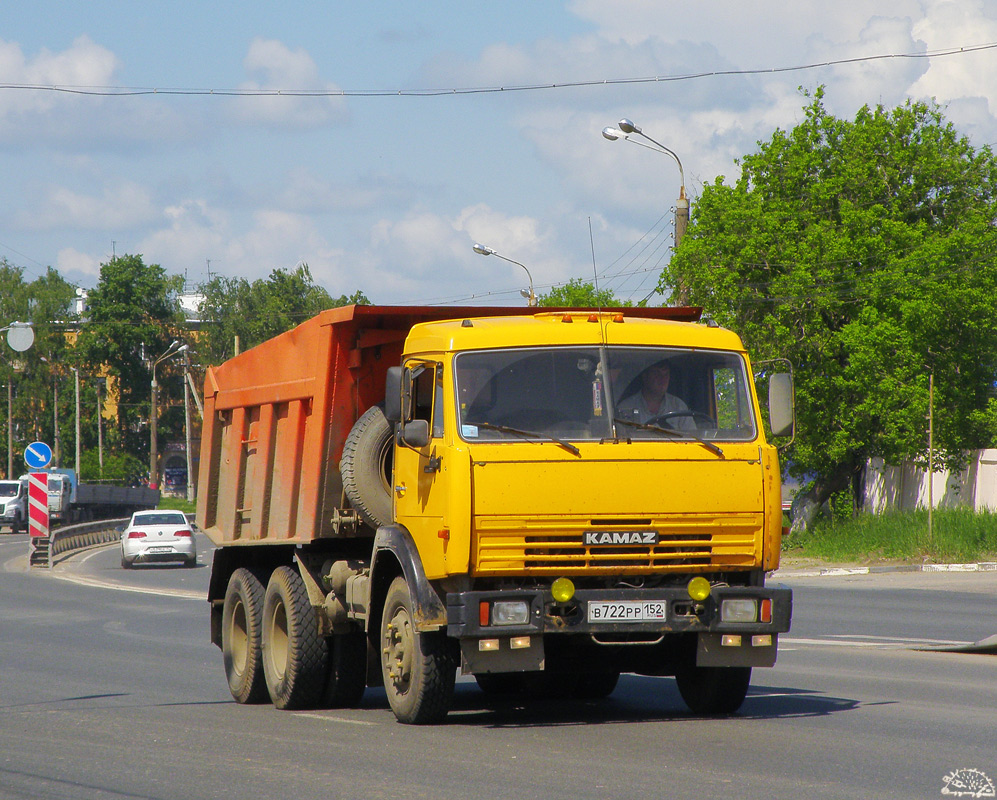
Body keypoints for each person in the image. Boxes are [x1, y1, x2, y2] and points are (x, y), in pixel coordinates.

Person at [616, 360, 695, 430]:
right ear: (645, 376)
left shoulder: (679, 407)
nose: (662, 379)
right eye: (656, 374)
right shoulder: (625, 408)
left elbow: (692, 440)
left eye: (666, 374)